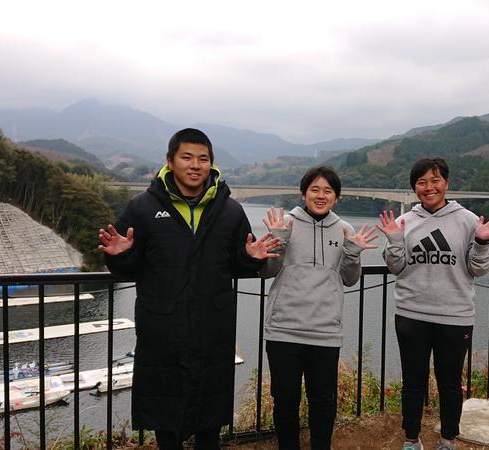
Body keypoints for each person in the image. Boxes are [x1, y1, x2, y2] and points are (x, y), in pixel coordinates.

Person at [98, 128, 280, 450]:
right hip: (162, 328)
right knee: (165, 417)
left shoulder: (230, 211)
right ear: (170, 161)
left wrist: (250, 258)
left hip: (212, 327)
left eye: (203, 159)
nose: (195, 165)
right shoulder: (143, 207)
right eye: (187, 157)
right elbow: (128, 269)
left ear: (211, 164)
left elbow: (236, 265)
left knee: (209, 419)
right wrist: (121, 255)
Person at [377, 158, 489, 450]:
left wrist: (482, 242)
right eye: (421, 182)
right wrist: (395, 241)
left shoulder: (469, 221)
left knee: (449, 382)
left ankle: (448, 439)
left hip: (455, 315)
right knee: (413, 381)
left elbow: (478, 268)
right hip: (411, 313)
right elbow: (395, 267)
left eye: (435, 181)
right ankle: (411, 440)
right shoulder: (405, 222)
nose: (429, 187)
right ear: (414, 188)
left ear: (446, 183)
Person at [259, 166, 378, 450]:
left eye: (328, 191)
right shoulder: (285, 224)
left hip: (325, 330)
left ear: (336, 197)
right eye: (314, 189)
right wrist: (279, 241)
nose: (321, 195)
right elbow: (266, 272)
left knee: (323, 400)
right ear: (303, 194)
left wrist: (353, 253)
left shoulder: (345, 229)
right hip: (283, 328)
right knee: (285, 399)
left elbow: (349, 279)